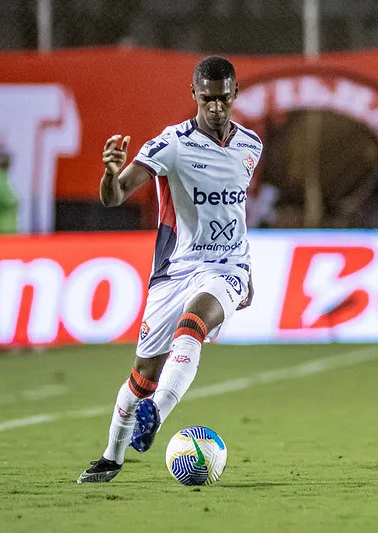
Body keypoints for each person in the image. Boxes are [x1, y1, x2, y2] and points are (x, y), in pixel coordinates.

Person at [78, 56, 261, 483]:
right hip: (175, 270)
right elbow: (116, 195)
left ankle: (156, 414)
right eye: (206, 99)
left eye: (222, 99)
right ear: (193, 95)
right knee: (142, 376)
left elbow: (236, 210)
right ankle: (111, 456)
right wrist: (109, 173)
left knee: (194, 323)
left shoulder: (251, 144)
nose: (215, 107)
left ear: (234, 95)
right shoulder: (171, 144)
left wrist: (246, 269)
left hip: (226, 265)